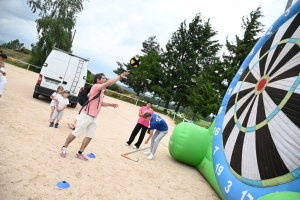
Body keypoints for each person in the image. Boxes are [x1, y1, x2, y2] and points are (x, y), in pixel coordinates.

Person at [60, 71, 130, 161]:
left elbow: (100, 103)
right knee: (76, 132)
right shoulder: (96, 86)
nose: (105, 79)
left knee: (90, 135)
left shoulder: (101, 91)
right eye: (103, 78)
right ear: (98, 80)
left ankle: (80, 153)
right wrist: (120, 76)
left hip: (94, 117)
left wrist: (110, 104)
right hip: (86, 115)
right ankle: (64, 147)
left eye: (105, 78)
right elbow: (109, 83)